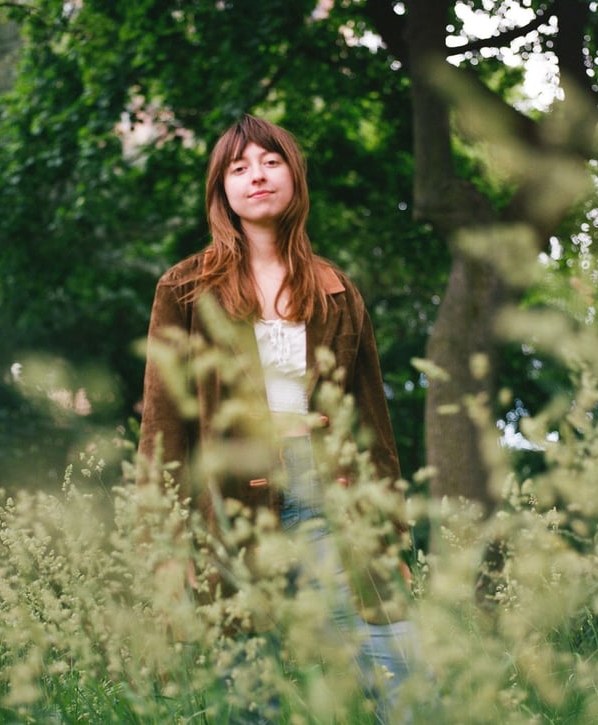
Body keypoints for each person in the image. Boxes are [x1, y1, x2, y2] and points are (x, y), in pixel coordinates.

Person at [138, 114, 413, 722]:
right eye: (238, 168)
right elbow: (163, 426)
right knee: (247, 690)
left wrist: (390, 530)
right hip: (228, 502)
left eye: (269, 161)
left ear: (293, 176)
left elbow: (373, 421)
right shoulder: (184, 288)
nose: (256, 176)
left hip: (329, 493)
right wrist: (164, 539)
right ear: (222, 192)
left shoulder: (337, 289)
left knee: (398, 669)